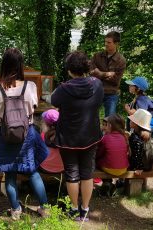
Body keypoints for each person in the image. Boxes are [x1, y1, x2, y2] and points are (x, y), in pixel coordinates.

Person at [0, 48, 49, 220]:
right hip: (27, 134)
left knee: (9, 173)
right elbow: (33, 107)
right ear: (20, 65)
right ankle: (45, 208)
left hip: (3, 134)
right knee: (33, 171)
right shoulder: (31, 86)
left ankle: (16, 210)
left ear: (3, 64)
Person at [51, 51, 104, 221]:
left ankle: (74, 209)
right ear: (86, 66)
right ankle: (85, 209)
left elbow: (54, 101)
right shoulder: (97, 84)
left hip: (68, 138)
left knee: (72, 173)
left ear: (69, 70)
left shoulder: (63, 89)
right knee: (87, 173)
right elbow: (99, 101)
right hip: (90, 136)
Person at [90, 31, 126, 117]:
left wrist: (99, 73)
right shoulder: (97, 56)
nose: (106, 44)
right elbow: (90, 71)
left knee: (110, 119)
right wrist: (107, 74)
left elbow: (115, 80)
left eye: (109, 42)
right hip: (96, 90)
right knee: (90, 116)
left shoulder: (121, 60)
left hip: (111, 93)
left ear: (116, 43)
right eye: (105, 42)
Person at [39, 109, 64, 173]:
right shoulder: (64, 135)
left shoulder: (42, 135)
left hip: (44, 167)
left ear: (45, 123)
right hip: (61, 168)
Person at [128, 109, 152, 175]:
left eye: (131, 120)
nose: (130, 121)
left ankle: (122, 181)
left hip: (139, 166)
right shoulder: (146, 134)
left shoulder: (135, 137)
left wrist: (139, 167)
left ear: (135, 124)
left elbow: (137, 153)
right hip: (148, 164)